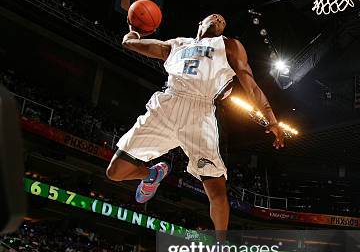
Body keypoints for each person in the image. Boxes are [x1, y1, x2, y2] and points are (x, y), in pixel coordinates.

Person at [106, 14, 284, 236]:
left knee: (217, 191)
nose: (220, 19)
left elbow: (251, 84)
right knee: (115, 172)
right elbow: (129, 43)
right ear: (200, 22)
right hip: (167, 105)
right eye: (215, 17)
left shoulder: (229, 45)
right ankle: (150, 175)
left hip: (200, 114)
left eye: (223, 21)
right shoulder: (176, 44)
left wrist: (271, 118)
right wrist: (134, 27)